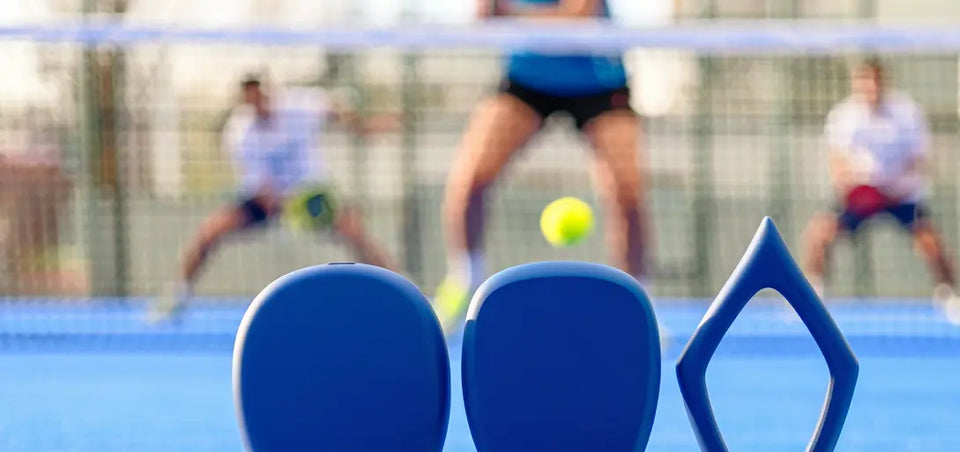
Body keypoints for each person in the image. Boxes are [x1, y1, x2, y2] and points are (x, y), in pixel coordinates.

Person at [432, 0, 651, 332]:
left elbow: (578, 17)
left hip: (598, 81)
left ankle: (637, 302)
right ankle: (466, 277)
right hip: (527, 79)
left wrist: (509, 14)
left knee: (627, 193)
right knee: (471, 180)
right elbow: (484, 16)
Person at [149, 76, 398, 321]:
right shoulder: (239, 133)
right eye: (251, 101)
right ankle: (176, 295)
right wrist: (286, 207)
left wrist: (363, 128)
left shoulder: (299, 106)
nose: (259, 104)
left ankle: (398, 288)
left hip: (309, 194)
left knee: (355, 231)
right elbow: (261, 190)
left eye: (262, 97)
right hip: (266, 200)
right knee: (209, 232)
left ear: (268, 93)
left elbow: (335, 109)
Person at [800, 58, 960, 323]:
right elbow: (837, 162)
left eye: (875, 82)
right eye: (864, 82)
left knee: (932, 244)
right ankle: (814, 297)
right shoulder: (844, 115)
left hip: (901, 195)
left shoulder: (907, 113)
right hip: (859, 195)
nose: (871, 88)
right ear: (857, 84)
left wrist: (890, 186)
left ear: (883, 82)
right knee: (819, 235)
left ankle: (950, 297)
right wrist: (857, 183)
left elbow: (919, 160)